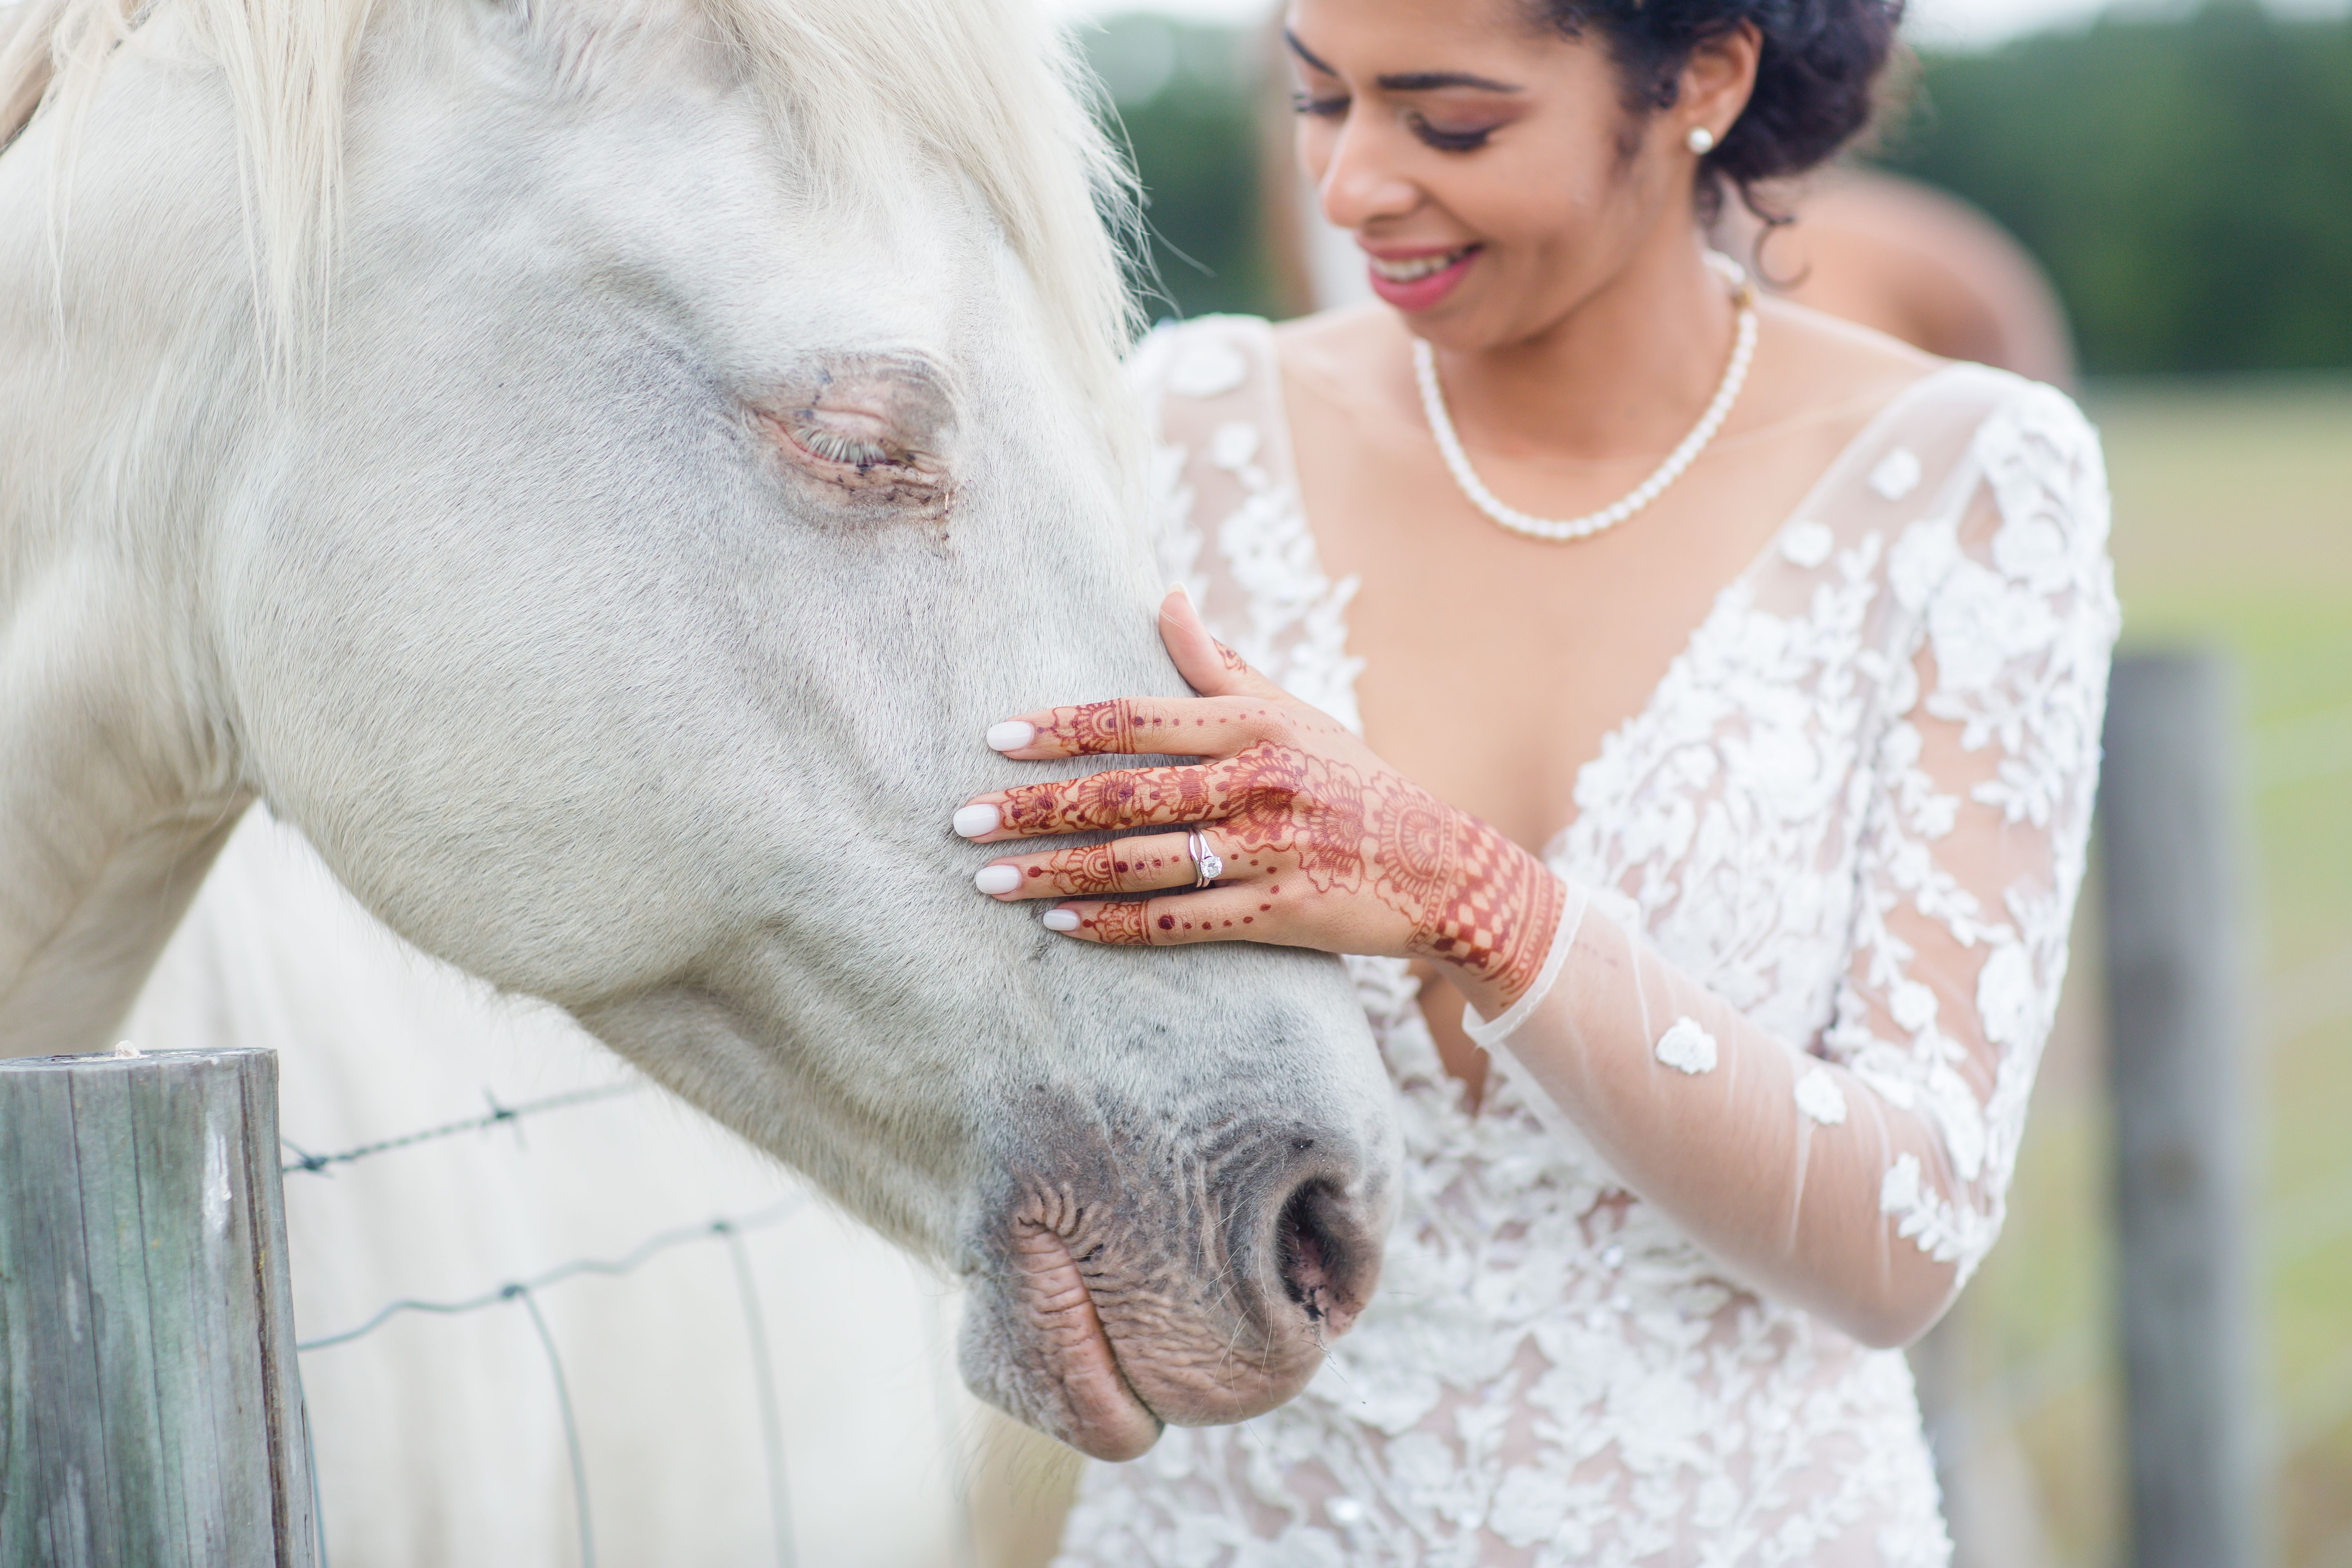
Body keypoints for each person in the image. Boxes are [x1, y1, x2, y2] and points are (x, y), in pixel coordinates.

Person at [956, 0, 2118, 1560]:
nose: (1354, 185)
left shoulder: (1973, 482)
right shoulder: (1181, 430)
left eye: (1451, 123)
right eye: (1319, 101)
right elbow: (999, 963)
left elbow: (1900, 1245)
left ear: (1704, 78)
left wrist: (1471, 900)